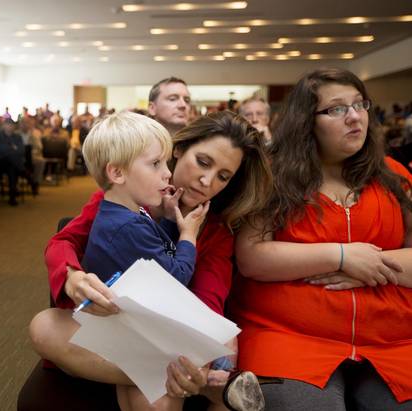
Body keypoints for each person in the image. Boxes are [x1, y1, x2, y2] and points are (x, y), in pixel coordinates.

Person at [29, 111, 272, 411]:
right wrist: (72, 276)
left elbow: (208, 300)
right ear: (179, 150)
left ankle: (190, 375)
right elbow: (63, 242)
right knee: (43, 326)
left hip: (168, 338)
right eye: (203, 162)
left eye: (223, 176)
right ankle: (205, 383)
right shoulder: (127, 198)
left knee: (160, 393)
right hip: (117, 333)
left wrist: (196, 354)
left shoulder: (215, 229)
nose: (207, 181)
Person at [230, 68, 412, 410]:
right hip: (289, 338)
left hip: (393, 340)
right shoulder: (273, 175)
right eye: (337, 109)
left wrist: (364, 265)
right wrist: (340, 256)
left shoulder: (393, 176)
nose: (355, 117)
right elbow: (252, 258)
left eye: (360, 104)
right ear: (306, 121)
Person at [80, 111, 213, 410]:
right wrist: (188, 234)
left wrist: (166, 219)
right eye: (155, 164)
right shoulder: (128, 225)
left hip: (129, 325)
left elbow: (154, 252)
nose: (167, 172)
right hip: (137, 331)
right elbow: (176, 278)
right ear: (117, 173)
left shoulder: (127, 213)